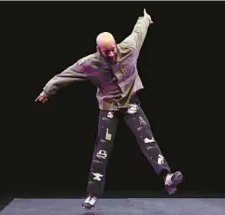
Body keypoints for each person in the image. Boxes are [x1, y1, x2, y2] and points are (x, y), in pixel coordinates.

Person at [35, 9, 183, 210]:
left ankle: (166, 177)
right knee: (102, 149)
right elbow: (64, 76)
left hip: (130, 103)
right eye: (107, 52)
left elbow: (139, 31)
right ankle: (92, 194)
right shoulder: (89, 64)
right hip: (109, 107)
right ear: (98, 49)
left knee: (147, 139)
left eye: (113, 49)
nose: (112, 54)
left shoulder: (129, 48)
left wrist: (145, 18)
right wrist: (47, 91)